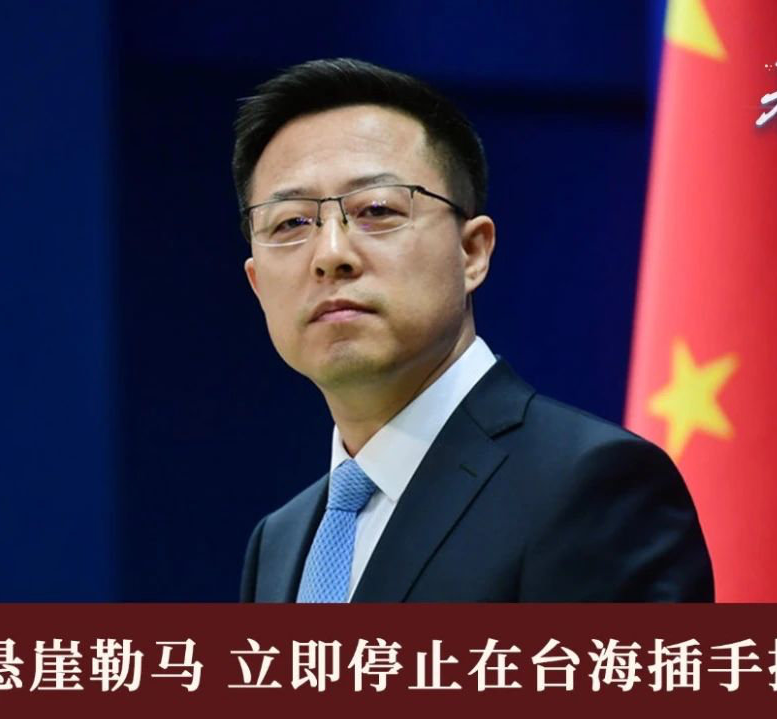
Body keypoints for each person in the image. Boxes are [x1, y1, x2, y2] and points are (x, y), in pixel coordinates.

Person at [234, 58, 713, 602]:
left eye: (376, 210)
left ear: (472, 252)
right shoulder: (279, 541)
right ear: (257, 284)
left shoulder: (592, 484)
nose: (331, 254)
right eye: (291, 223)